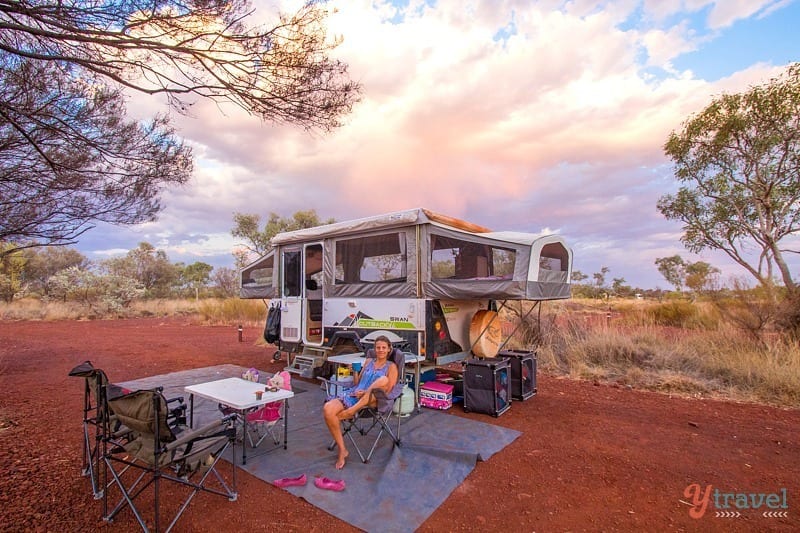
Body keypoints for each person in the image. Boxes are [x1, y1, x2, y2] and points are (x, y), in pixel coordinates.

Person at [322, 335, 399, 469]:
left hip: (375, 399)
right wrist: (355, 372)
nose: (380, 350)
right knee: (328, 409)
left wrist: (367, 392)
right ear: (375, 349)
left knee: (382, 381)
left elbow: (388, 389)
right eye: (378, 347)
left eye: (383, 348)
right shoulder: (369, 361)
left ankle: (351, 411)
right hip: (354, 395)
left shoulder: (391, 367)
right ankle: (342, 450)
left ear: (388, 350)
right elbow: (357, 384)